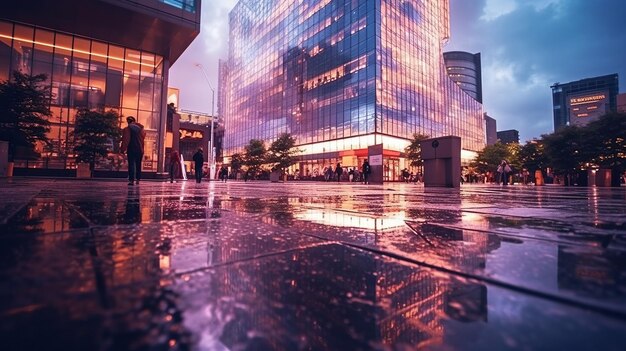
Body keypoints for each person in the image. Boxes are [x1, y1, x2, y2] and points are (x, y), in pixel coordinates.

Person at [120, 116, 146, 186]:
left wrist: (123, 149)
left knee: (131, 164)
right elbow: (143, 139)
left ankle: (131, 180)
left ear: (128, 121)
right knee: (138, 164)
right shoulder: (141, 130)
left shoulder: (127, 129)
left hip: (131, 149)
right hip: (140, 149)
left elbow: (126, 140)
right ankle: (138, 179)